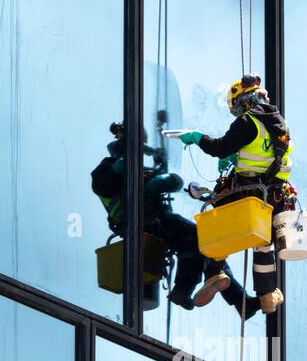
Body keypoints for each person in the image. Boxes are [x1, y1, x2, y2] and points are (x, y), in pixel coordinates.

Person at [91, 123, 259, 316]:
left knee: (207, 244)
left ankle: (240, 300)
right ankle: (186, 290)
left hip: (156, 220)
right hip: (141, 223)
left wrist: (156, 163)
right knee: (198, 239)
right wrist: (145, 163)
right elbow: (162, 182)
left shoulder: (131, 172)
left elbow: (166, 182)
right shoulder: (105, 173)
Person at [177, 73, 294, 314]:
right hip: (273, 196)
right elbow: (268, 153)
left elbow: (219, 148)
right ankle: (267, 294)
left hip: (247, 191)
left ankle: (214, 272)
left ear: (244, 101)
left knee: (217, 220)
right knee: (264, 243)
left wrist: (198, 138)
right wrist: (237, 154)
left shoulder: (248, 122)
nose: (239, 112)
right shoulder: (280, 123)